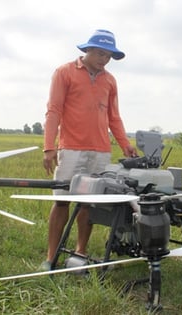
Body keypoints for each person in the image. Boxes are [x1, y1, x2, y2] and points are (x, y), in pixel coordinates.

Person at [41, 29, 137, 270]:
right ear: (88, 50)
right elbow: (54, 110)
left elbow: (114, 117)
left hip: (100, 152)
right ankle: (51, 256)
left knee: (89, 203)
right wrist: (48, 147)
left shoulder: (110, 80)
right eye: (100, 54)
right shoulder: (64, 72)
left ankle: (80, 251)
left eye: (108, 57)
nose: (104, 60)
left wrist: (125, 144)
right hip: (72, 149)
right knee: (62, 201)